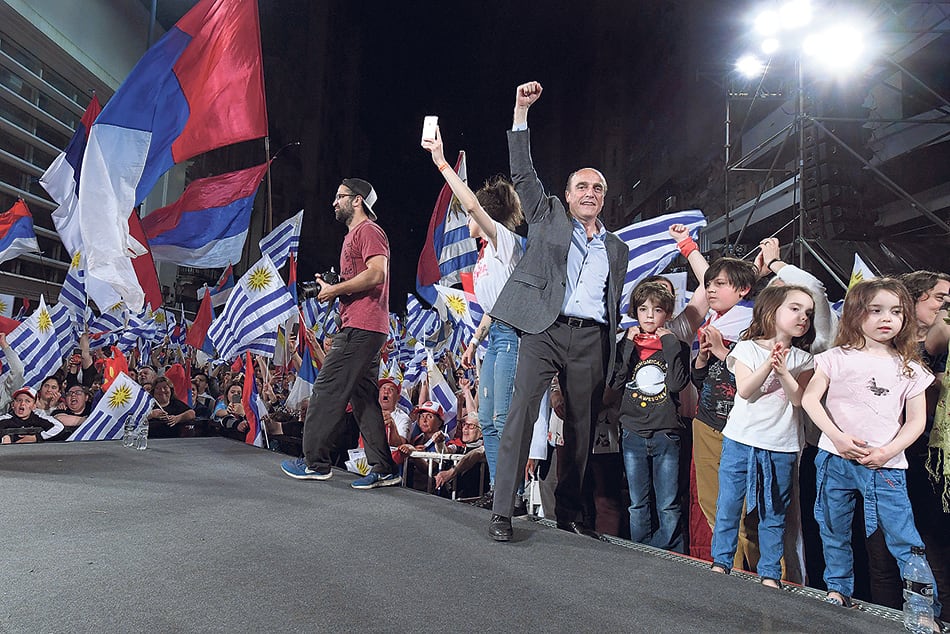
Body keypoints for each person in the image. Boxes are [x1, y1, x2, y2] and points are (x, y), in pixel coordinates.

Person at [488, 81, 629, 541]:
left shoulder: (617, 248)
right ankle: (502, 511)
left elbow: (612, 300)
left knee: (582, 431)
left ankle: (570, 511)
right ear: (568, 196)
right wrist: (520, 112)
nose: (590, 192)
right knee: (520, 416)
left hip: (590, 339)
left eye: (598, 188)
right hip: (543, 330)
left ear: (604, 199)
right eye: (582, 186)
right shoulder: (548, 215)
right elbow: (523, 173)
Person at [802, 278, 939, 614]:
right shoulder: (834, 358)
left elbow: (916, 421)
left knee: (903, 538)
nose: (886, 318)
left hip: (886, 468)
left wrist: (887, 451)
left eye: (895, 312)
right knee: (833, 529)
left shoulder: (910, 368)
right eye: (875, 310)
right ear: (856, 314)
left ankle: (922, 608)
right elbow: (809, 399)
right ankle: (838, 590)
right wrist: (837, 437)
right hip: (835, 460)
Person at [423, 125, 525, 510]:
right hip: (497, 334)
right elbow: (497, 305)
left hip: (513, 337)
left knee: (501, 418)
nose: (467, 216)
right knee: (487, 421)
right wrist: (474, 340)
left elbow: (470, 206)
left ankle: (509, 494)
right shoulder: (486, 256)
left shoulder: (504, 240)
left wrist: (441, 162)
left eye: (475, 211)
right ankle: (501, 492)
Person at [280, 178, 401, 489]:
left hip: (362, 326)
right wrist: (335, 285)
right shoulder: (353, 236)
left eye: (340, 197)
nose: (334, 202)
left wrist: (337, 288)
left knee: (326, 390)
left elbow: (377, 274)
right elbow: (362, 278)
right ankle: (384, 468)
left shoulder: (368, 231)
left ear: (357, 200)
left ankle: (315, 463)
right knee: (363, 399)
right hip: (366, 326)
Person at [709, 285, 816, 587]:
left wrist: (783, 371)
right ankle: (721, 562)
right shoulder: (746, 348)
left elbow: (798, 400)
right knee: (729, 504)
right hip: (741, 440)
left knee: (774, 511)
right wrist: (770, 363)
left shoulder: (803, 359)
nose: (802, 317)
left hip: (781, 445)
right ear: (772, 311)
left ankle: (770, 572)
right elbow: (745, 390)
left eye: (808, 313)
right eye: (795, 308)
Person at [608, 281, 690, 551]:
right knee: (637, 503)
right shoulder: (627, 345)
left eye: (657, 310)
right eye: (643, 309)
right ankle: (640, 553)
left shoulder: (676, 345)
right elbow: (617, 382)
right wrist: (628, 346)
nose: (649, 316)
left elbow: (677, 385)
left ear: (667, 313)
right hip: (632, 431)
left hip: (665, 432)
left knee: (667, 503)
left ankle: (668, 553)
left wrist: (669, 342)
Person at [689, 257, 758, 565]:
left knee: (744, 511)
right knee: (711, 504)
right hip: (706, 421)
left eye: (720, 284)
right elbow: (701, 380)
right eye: (709, 284)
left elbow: (757, 378)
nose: (711, 290)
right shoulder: (713, 324)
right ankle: (725, 569)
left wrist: (722, 351)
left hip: (742, 427)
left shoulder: (756, 323)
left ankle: (753, 575)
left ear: (743, 290)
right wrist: (703, 360)